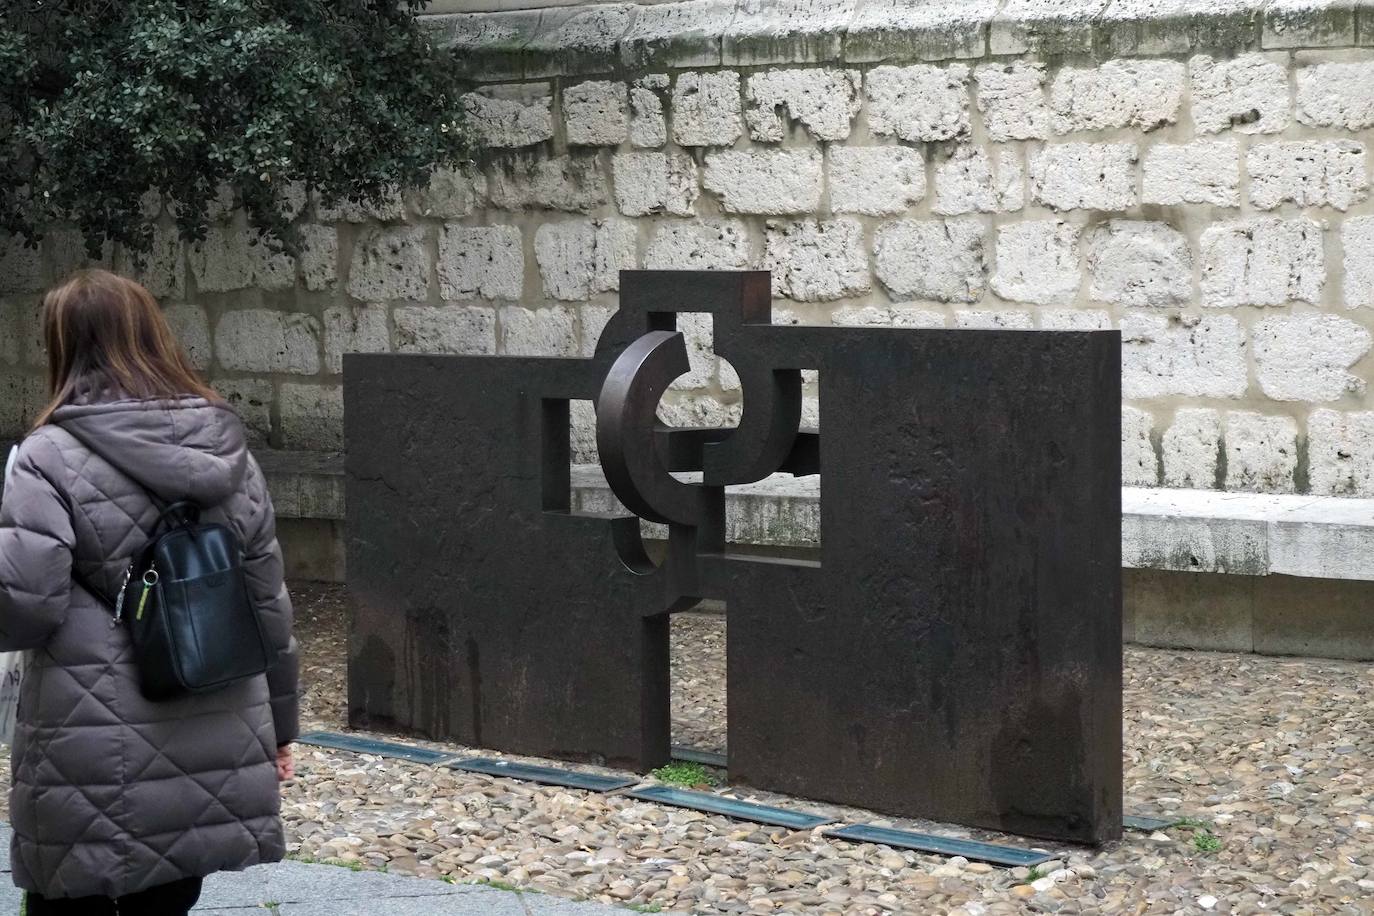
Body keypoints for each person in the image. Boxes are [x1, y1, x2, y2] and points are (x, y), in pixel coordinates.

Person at [0, 269, 299, 914]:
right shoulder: (230, 454)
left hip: (87, 731)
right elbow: (267, 603)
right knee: (168, 896)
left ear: (63, 348)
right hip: (209, 709)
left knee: (66, 898)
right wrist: (281, 725)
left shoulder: (45, 456)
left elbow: (26, 604)